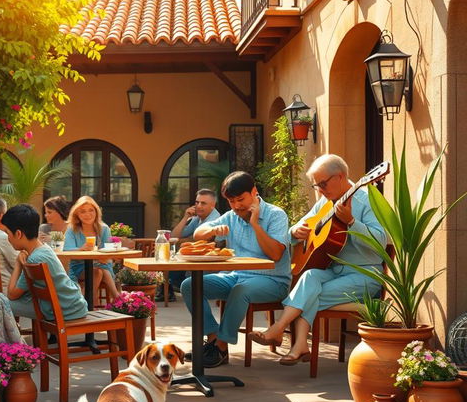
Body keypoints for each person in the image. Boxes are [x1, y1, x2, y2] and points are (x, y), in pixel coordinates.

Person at [249, 154, 386, 365]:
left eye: (322, 184)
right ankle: (296, 342)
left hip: (364, 274)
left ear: (340, 176)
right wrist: (296, 231)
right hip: (334, 271)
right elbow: (296, 230)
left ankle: (284, 334)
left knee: (309, 294)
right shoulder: (325, 201)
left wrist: (351, 222)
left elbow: (381, 242)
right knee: (310, 276)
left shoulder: (367, 200)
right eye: (316, 186)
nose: (320, 191)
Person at [180, 171, 291, 368]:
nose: (237, 206)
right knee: (190, 285)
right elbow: (198, 233)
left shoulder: (276, 215)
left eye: (241, 199)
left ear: (254, 192)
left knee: (241, 290)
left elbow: (275, 254)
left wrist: (255, 224)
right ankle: (214, 339)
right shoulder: (231, 216)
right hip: (236, 276)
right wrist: (213, 230)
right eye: (231, 201)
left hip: (274, 281)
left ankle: (221, 347)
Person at [2, 203, 88, 322]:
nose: (7, 238)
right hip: (73, 306)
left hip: (64, 311)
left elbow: (12, 294)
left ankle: (5, 340)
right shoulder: (44, 249)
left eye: (7, 233)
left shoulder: (34, 259)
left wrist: (18, 264)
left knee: (0, 305)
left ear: (18, 234)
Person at [157, 189, 221, 302]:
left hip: (208, 264)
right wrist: (185, 217)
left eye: (203, 203)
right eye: (197, 202)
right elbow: (173, 236)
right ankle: (167, 290)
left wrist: (180, 241)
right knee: (169, 261)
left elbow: (198, 240)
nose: (198, 206)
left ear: (213, 205)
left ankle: (168, 290)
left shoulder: (215, 219)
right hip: (195, 258)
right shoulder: (198, 218)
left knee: (171, 263)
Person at [63, 195, 119, 305]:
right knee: (98, 272)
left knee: (99, 270)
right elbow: (66, 250)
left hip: (102, 264)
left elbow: (107, 250)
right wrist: (81, 249)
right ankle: (117, 299)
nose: (87, 214)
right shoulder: (72, 229)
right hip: (79, 267)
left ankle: (84, 304)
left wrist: (105, 257)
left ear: (96, 212)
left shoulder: (104, 229)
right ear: (77, 215)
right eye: (82, 212)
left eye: (91, 210)